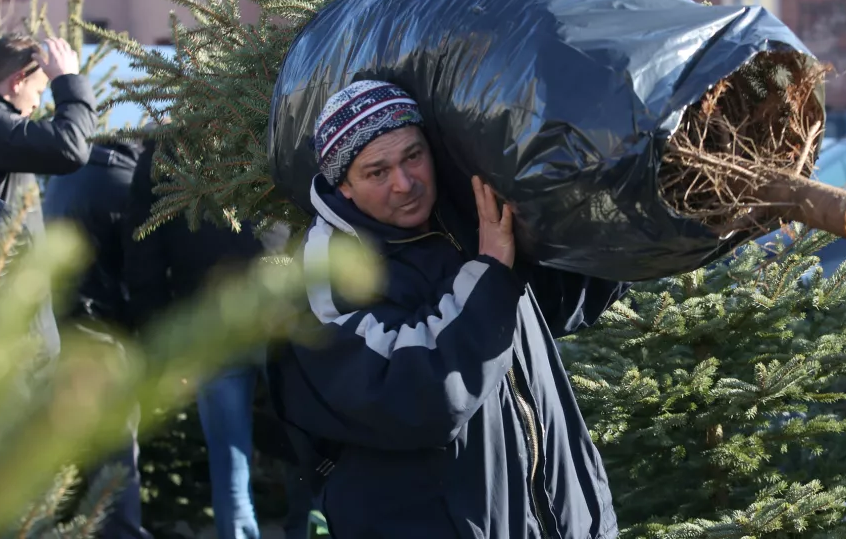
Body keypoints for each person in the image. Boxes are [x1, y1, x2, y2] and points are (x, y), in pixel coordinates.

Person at [266, 80, 630, 539]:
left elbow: (548, 308)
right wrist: (492, 272)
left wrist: (624, 240)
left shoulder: (459, 216)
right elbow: (421, 394)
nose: (404, 184)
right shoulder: (325, 275)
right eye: (378, 172)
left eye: (412, 156)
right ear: (345, 186)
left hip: (565, 518)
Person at [123, 137, 306, 539]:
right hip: (256, 317)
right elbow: (144, 253)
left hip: (244, 320)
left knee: (236, 465)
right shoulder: (253, 122)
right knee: (299, 448)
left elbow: (143, 256)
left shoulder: (167, 150)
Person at [0, 33, 99, 359]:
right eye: (39, 91)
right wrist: (67, 80)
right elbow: (69, 147)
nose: (38, 105)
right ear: (17, 80)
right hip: (1, 332)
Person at [42, 140, 151, 539]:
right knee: (115, 463)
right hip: (103, 339)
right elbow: (141, 273)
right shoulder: (127, 185)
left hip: (55, 332)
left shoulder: (63, 176)